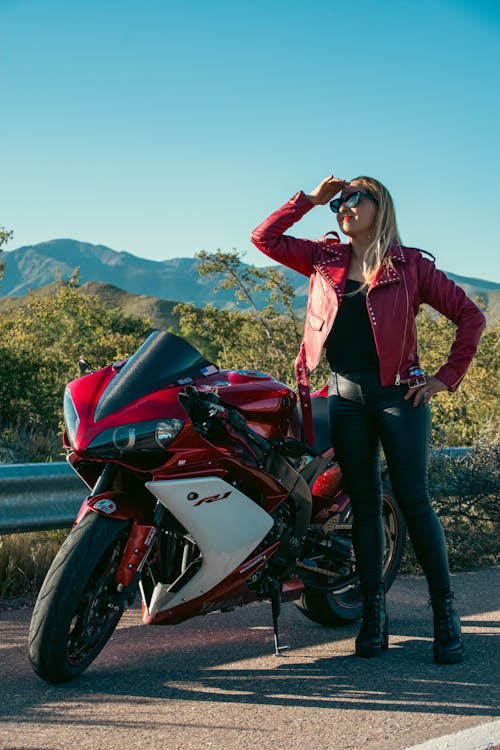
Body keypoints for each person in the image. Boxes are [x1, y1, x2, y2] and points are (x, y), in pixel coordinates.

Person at [251, 175, 486, 663]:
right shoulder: (324, 257)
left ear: (381, 206)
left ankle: (445, 613)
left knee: (414, 500)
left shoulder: (411, 264)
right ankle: (374, 614)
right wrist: (308, 201)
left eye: (355, 198)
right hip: (345, 396)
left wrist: (445, 377)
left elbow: (471, 317)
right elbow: (264, 239)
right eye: (338, 202)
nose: (344, 207)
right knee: (361, 504)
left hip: (401, 396)